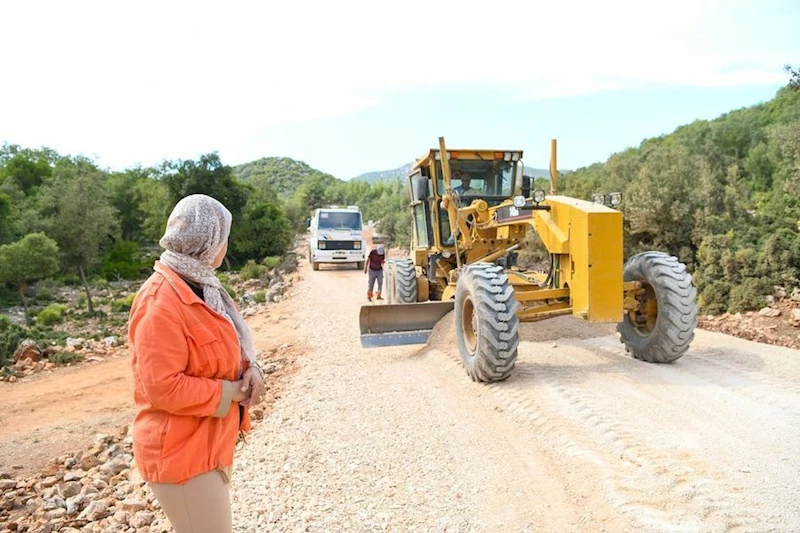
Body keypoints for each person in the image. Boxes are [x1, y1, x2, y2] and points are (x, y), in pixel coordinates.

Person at [128, 194, 265, 533]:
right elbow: (163, 387)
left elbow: (226, 347)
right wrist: (233, 392)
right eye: (224, 238)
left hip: (204, 445)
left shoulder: (201, 286)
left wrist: (253, 370)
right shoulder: (160, 300)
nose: (226, 246)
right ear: (208, 241)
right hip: (180, 453)